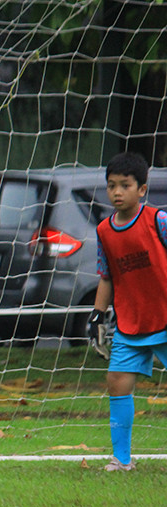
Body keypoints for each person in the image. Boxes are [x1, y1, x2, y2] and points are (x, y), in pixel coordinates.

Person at [89, 151, 167, 472]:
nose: (117, 192)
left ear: (142, 189)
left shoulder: (159, 221)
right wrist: (97, 315)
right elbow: (107, 276)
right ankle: (122, 460)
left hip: (164, 318)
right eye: (111, 186)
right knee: (117, 381)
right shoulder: (104, 231)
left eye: (125, 185)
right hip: (130, 324)